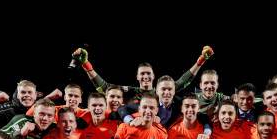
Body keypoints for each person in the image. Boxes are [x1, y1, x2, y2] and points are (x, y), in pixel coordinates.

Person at [72, 46, 213, 102]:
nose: (145, 76)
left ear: (153, 76)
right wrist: (86, 64)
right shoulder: (130, 92)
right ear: (137, 77)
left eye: (148, 74)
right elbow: (104, 87)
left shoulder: (162, 91)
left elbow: (183, 80)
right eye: (142, 74)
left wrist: (200, 61)